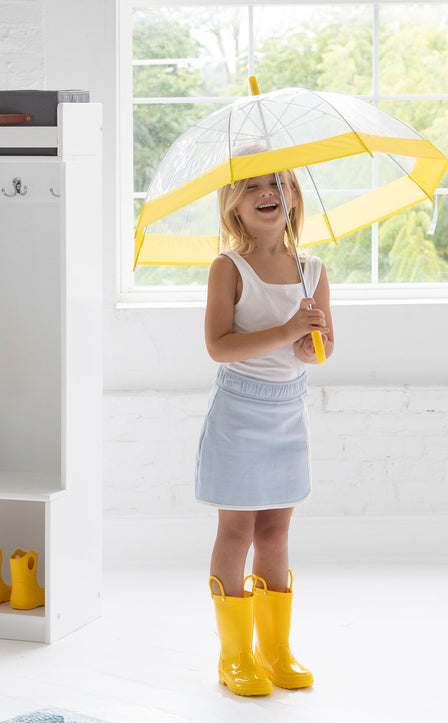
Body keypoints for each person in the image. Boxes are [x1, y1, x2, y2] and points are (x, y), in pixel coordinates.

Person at [195, 169, 334, 696]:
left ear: (294, 195)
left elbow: (321, 348)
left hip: (286, 413)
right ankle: (234, 656)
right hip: (238, 413)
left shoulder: (312, 270)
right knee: (237, 532)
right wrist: (285, 331)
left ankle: (274, 650)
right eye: (250, 186)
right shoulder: (228, 268)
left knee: (275, 533)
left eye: (277, 183)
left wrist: (311, 344)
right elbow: (219, 346)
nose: (265, 193)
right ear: (232, 204)